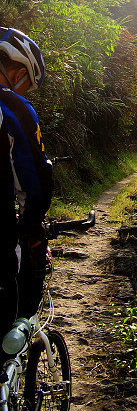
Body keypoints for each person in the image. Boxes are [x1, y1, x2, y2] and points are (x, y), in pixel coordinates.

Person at [0, 27, 53, 343]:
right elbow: (35, 182)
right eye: (26, 86)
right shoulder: (15, 109)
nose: (24, 94)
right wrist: (33, 225)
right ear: (18, 71)